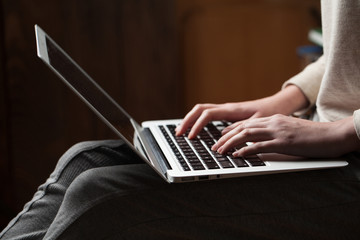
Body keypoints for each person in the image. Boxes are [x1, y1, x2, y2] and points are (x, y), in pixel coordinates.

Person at [1, 0, 360, 239]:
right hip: (320, 130)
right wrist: (279, 102)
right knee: (85, 160)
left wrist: (346, 129)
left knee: (98, 194)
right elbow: (344, 46)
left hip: (351, 159)